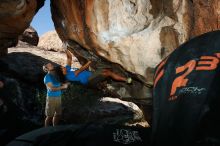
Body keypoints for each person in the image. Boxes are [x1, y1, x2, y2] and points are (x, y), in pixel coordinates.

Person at [60, 48, 132, 86]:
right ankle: (126, 80)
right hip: (89, 80)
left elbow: (69, 58)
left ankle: (104, 81)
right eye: (62, 69)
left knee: (105, 68)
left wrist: (65, 48)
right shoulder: (69, 76)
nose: (63, 67)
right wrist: (90, 61)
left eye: (62, 67)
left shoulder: (67, 69)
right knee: (107, 72)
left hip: (90, 74)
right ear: (63, 73)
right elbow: (81, 69)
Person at [43, 63, 69, 127]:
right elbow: (52, 89)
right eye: (49, 65)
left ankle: (55, 127)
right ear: (47, 69)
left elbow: (60, 82)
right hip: (51, 98)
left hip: (58, 96)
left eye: (51, 64)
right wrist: (63, 87)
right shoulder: (47, 77)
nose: (51, 65)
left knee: (58, 114)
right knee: (50, 116)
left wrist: (65, 83)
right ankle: (46, 130)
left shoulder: (55, 74)